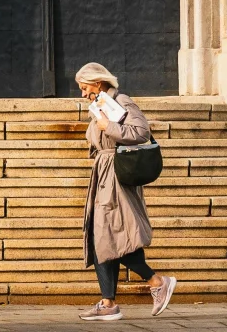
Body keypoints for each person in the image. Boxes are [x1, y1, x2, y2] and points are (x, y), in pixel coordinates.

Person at [75, 62, 176, 321]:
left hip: (117, 177)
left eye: (85, 87)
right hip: (104, 175)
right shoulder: (101, 104)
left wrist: (107, 126)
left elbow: (141, 133)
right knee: (102, 236)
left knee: (114, 235)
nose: (83, 93)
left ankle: (156, 281)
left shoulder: (122, 101)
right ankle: (108, 302)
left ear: (98, 83)